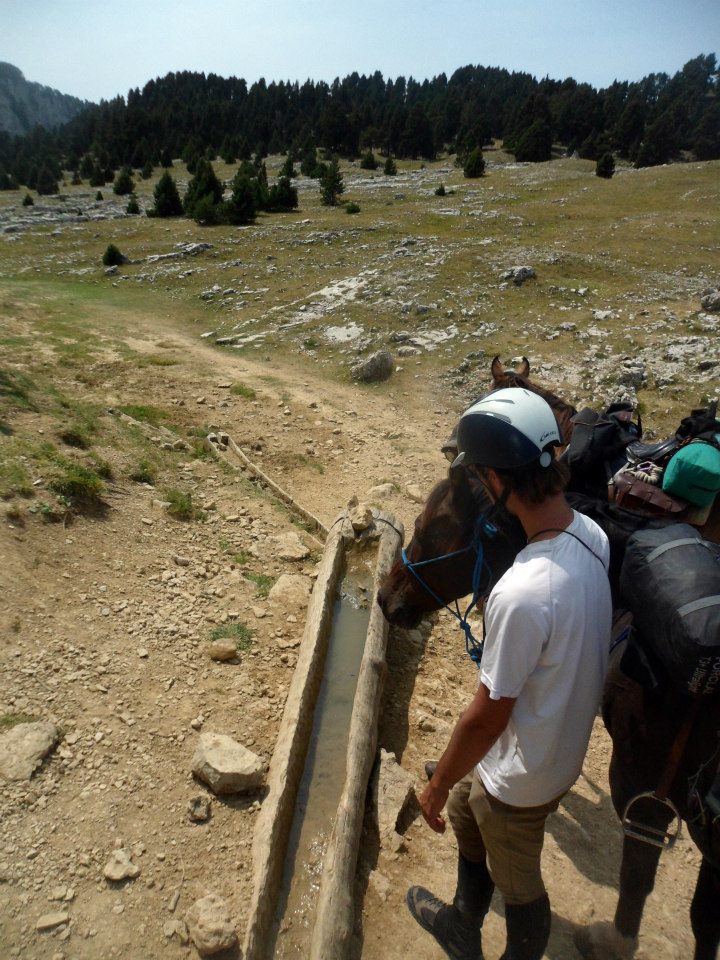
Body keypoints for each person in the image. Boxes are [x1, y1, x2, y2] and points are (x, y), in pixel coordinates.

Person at [406, 387, 612, 960]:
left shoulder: (522, 591)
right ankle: (461, 925)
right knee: (464, 811)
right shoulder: (588, 534)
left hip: (526, 772)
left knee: (521, 885)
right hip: (550, 739)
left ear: (497, 481)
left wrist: (435, 782)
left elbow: (483, 719)